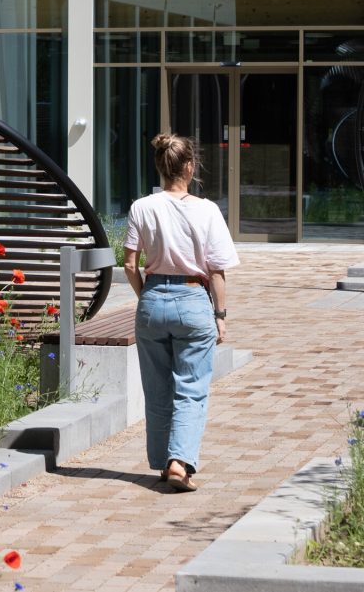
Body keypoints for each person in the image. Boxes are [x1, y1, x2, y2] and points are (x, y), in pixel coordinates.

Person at [123, 133, 239, 492]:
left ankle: (162, 462)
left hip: (154, 298)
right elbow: (217, 271)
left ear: (160, 166)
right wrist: (220, 315)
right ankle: (179, 462)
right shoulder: (206, 210)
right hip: (193, 298)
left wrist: (147, 296)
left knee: (157, 390)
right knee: (191, 388)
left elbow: (130, 263)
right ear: (189, 167)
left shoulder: (142, 206)